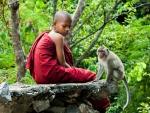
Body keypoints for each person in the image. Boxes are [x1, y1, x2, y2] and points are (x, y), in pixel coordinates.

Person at [26, 11, 109, 113]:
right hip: (50, 73)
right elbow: (62, 62)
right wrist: (73, 71)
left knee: (80, 76)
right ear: (54, 25)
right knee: (90, 76)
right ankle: (103, 106)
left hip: (40, 77)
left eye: (69, 26)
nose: (67, 29)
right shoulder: (58, 37)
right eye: (64, 26)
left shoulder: (47, 35)